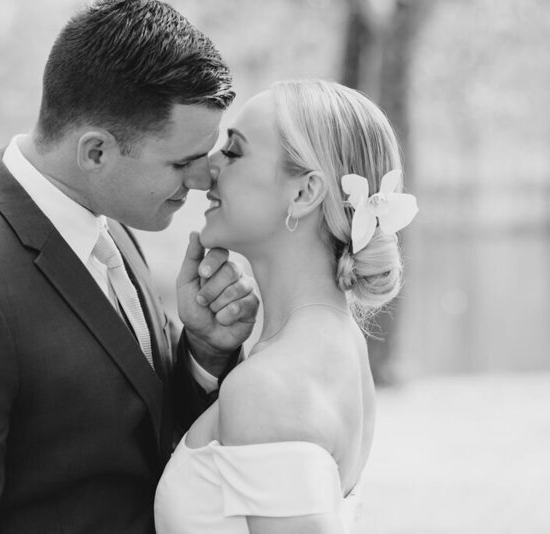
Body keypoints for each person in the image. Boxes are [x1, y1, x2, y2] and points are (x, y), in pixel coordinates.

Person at [0, 1, 259, 533]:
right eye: (181, 161)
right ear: (95, 152)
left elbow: (141, 437)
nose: (201, 180)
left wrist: (204, 354)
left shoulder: (112, 226)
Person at [154, 79, 418, 533]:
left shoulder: (271, 386)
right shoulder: (338, 343)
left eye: (233, 152)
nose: (207, 169)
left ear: (304, 192)